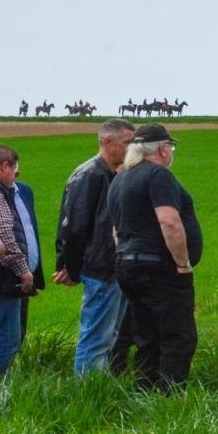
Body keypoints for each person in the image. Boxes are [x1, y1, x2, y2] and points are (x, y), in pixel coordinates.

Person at [106, 123, 201, 392]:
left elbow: (116, 230)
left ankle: (144, 390)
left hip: (127, 264)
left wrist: (127, 257)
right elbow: (169, 221)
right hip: (160, 268)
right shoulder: (159, 176)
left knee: (146, 334)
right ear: (161, 149)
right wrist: (182, 264)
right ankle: (170, 396)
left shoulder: (121, 179)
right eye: (170, 147)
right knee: (178, 336)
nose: (171, 152)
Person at [54, 118, 136, 374]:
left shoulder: (117, 174)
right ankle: (89, 392)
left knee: (110, 335)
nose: (132, 148)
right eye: (127, 142)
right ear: (107, 141)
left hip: (115, 267)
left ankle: (99, 387)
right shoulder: (89, 175)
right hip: (99, 268)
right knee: (96, 338)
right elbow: (73, 226)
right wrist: (69, 265)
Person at [0, 144, 43, 375]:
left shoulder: (13, 191)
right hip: (2, 277)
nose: (16, 178)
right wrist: (23, 269)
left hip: (6, 276)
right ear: (5, 166)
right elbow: (4, 234)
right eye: (15, 171)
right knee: (4, 338)